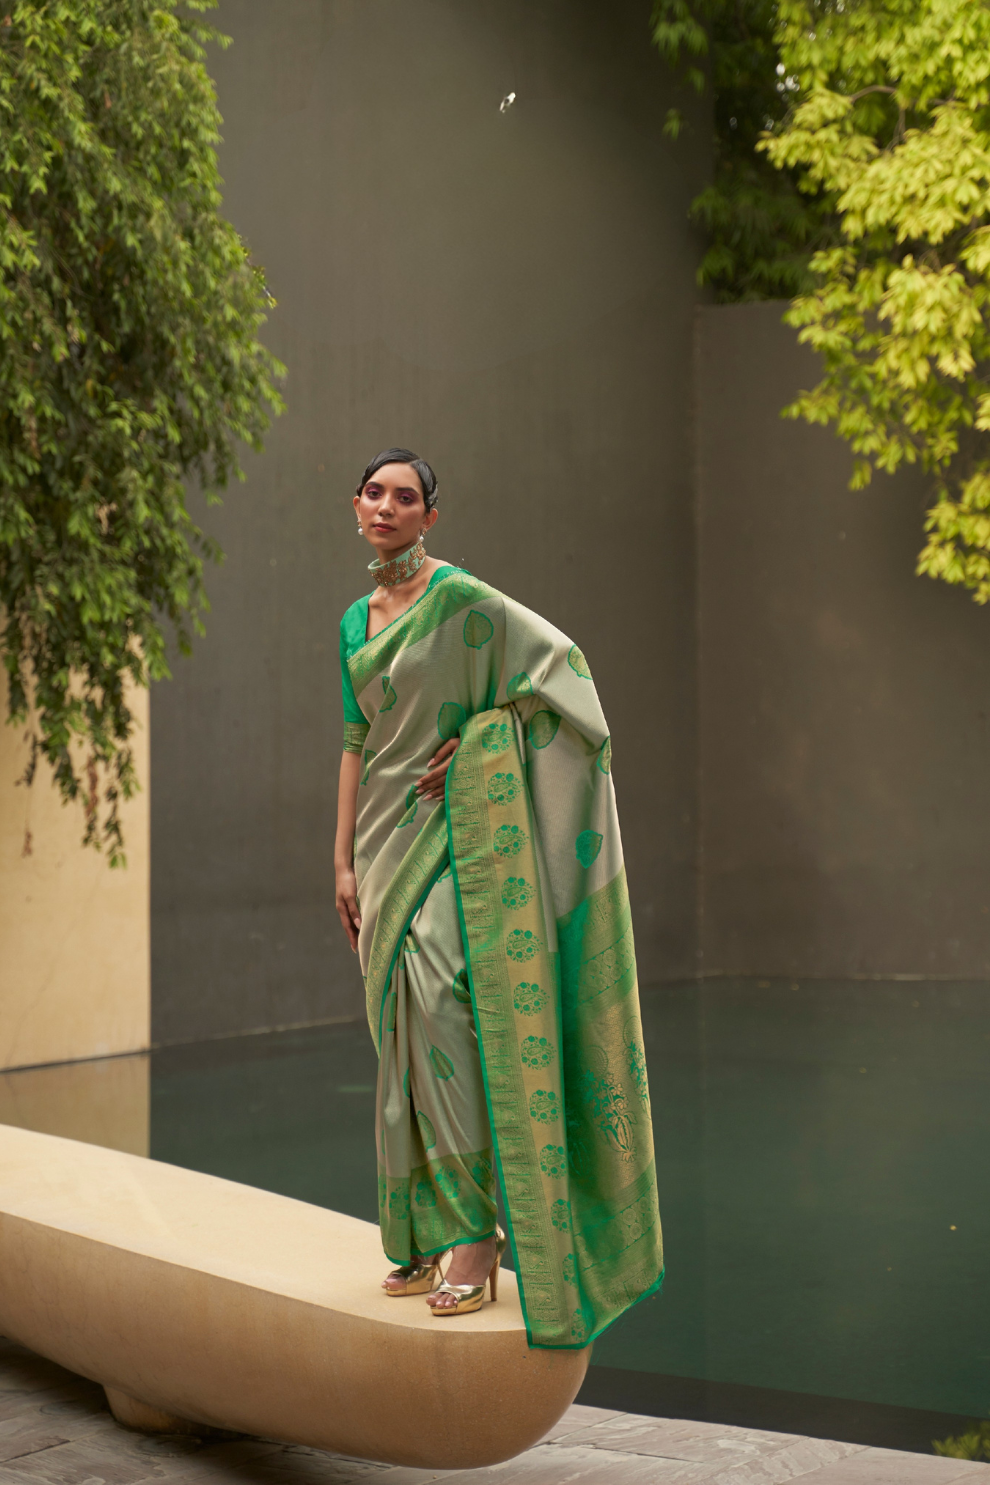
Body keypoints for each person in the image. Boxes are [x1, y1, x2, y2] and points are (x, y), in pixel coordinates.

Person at [335, 447, 662, 1344]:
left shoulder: (463, 601)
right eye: (374, 492)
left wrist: (487, 735)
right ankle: (421, 1228)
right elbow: (355, 741)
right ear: (355, 505)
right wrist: (342, 861)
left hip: (453, 829)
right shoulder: (354, 621)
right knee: (398, 1024)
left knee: (441, 995)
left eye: (405, 496)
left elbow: (564, 674)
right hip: (380, 836)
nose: (387, 506)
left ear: (430, 515)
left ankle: (477, 1239)